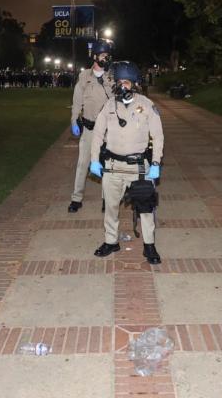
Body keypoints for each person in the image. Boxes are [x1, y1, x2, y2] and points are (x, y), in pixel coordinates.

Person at [89, 61, 164, 265]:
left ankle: (149, 245)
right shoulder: (109, 105)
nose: (123, 86)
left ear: (135, 84)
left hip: (138, 168)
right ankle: (111, 241)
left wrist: (156, 162)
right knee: (111, 207)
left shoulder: (147, 105)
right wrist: (94, 159)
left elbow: (157, 136)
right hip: (113, 166)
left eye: (127, 82)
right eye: (120, 82)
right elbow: (97, 133)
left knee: (146, 209)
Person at [67, 40, 115, 213]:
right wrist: (74, 121)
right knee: (83, 164)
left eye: (107, 56)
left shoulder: (112, 77)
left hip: (108, 131)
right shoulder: (84, 76)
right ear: (95, 57)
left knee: (108, 165)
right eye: (103, 55)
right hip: (89, 129)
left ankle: (106, 199)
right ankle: (76, 198)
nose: (106, 58)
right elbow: (77, 101)